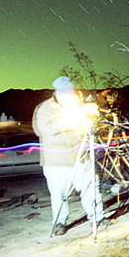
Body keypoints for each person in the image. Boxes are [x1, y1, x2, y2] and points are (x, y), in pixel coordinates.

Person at [32, 76, 104, 237]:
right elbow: (45, 129)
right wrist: (71, 122)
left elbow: (91, 124)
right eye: (66, 94)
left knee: (90, 187)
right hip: (56, 159)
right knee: (59, 194)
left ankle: (97, 217)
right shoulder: (45, 108)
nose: (70, 98)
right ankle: (59, 222)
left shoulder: (77, 106)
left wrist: (92, 117)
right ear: (58, 93)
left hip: (80, 156)